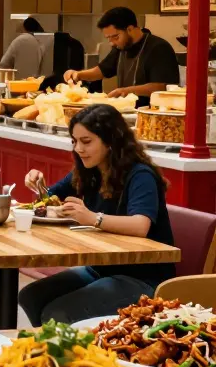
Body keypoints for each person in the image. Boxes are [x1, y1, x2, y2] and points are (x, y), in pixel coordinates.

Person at [20, 105, 174, 323]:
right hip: (101, 269)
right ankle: (55, 351)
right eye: (74, 141)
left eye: (86, 141)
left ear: (110, 141)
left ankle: (78, 353)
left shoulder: (140, 175)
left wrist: (92, 218)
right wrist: (39, 185)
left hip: (142, 278)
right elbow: (48, 198)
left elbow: (140, 226)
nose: (78, 148)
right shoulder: (88, 170)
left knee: (57, 314)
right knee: (31, 296)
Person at [63, 7, 179, 107]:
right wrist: (78, 74)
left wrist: (125, 91)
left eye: (115, 37)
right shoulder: (121, 47)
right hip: (128, 112)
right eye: (109, 38)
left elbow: (161, 87)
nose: (112, 43)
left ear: (130, 29)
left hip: (151, 113)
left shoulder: (158, 48)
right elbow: (102, 70)